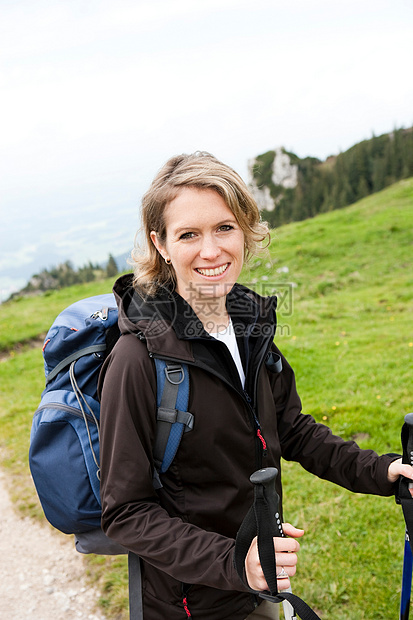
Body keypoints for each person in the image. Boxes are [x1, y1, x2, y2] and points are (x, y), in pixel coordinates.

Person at [98, 151, 413, 620]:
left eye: (224, 227)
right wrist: (234, 562)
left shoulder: (250, 324)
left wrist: (382, 471)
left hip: (259, 578)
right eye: (189, 234)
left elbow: (293, 430)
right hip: (191, 602)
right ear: (160, 244)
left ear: (246, 228)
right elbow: (125, 513)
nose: (211, 250)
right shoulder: (137, 359)